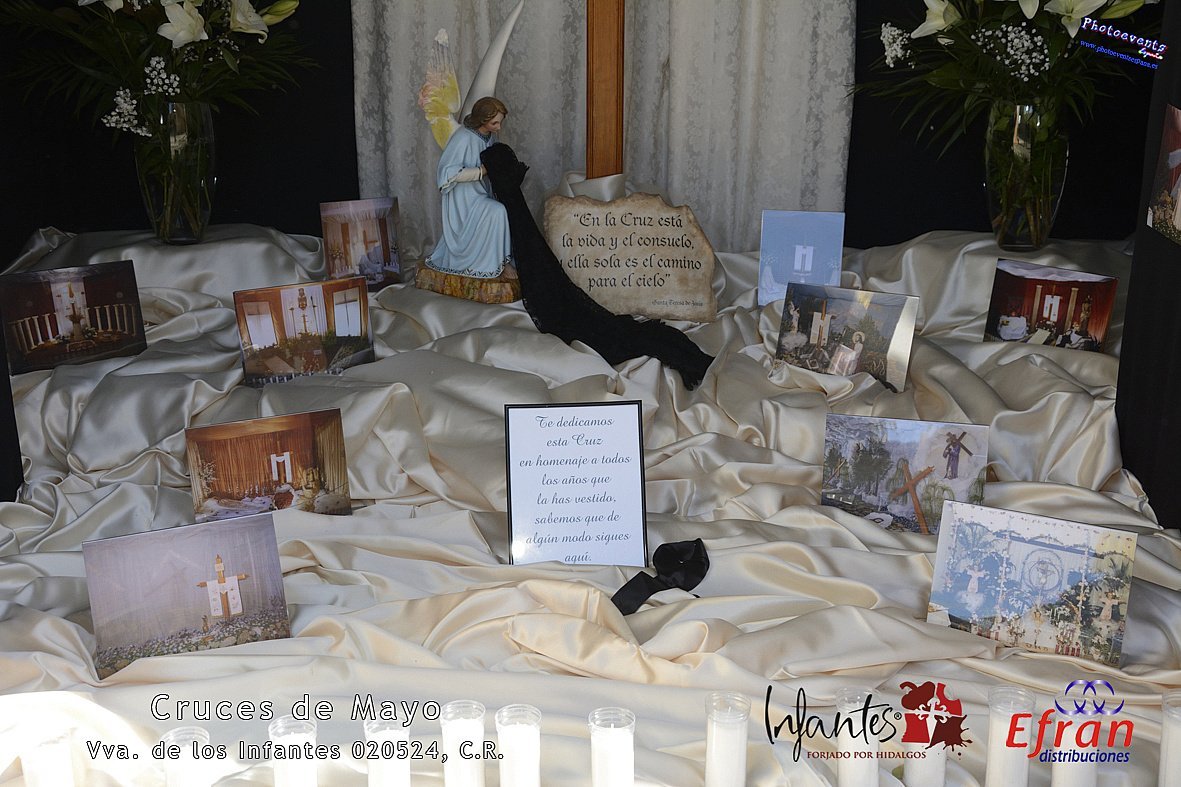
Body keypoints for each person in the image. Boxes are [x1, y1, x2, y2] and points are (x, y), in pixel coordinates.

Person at [424, 96, 512, 279]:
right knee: (498, 211)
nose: (499, 127)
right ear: (483, 120)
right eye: (495, 123)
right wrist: (481, 171)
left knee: (502, 210)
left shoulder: (488, 137)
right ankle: (496, 264)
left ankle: (498, 262)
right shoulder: (463, 138)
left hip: (480, 194)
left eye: (500, 123)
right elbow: (447, 173)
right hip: (463, 200)